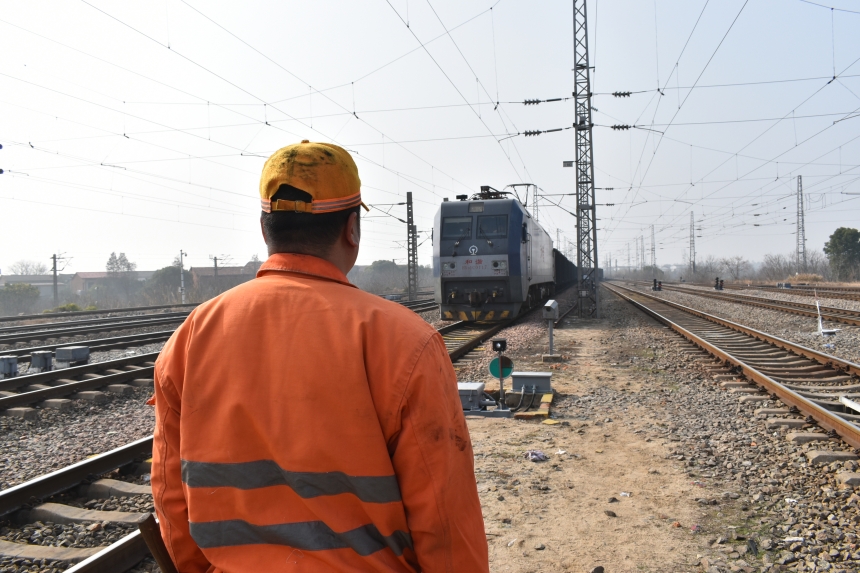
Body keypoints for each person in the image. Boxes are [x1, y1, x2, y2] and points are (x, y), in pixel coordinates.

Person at [150, 140, 489, 572]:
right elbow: (444, 519)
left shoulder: (191, 336)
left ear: (264, 228)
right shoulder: (406, 341)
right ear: (352, 230)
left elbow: (170, 495)